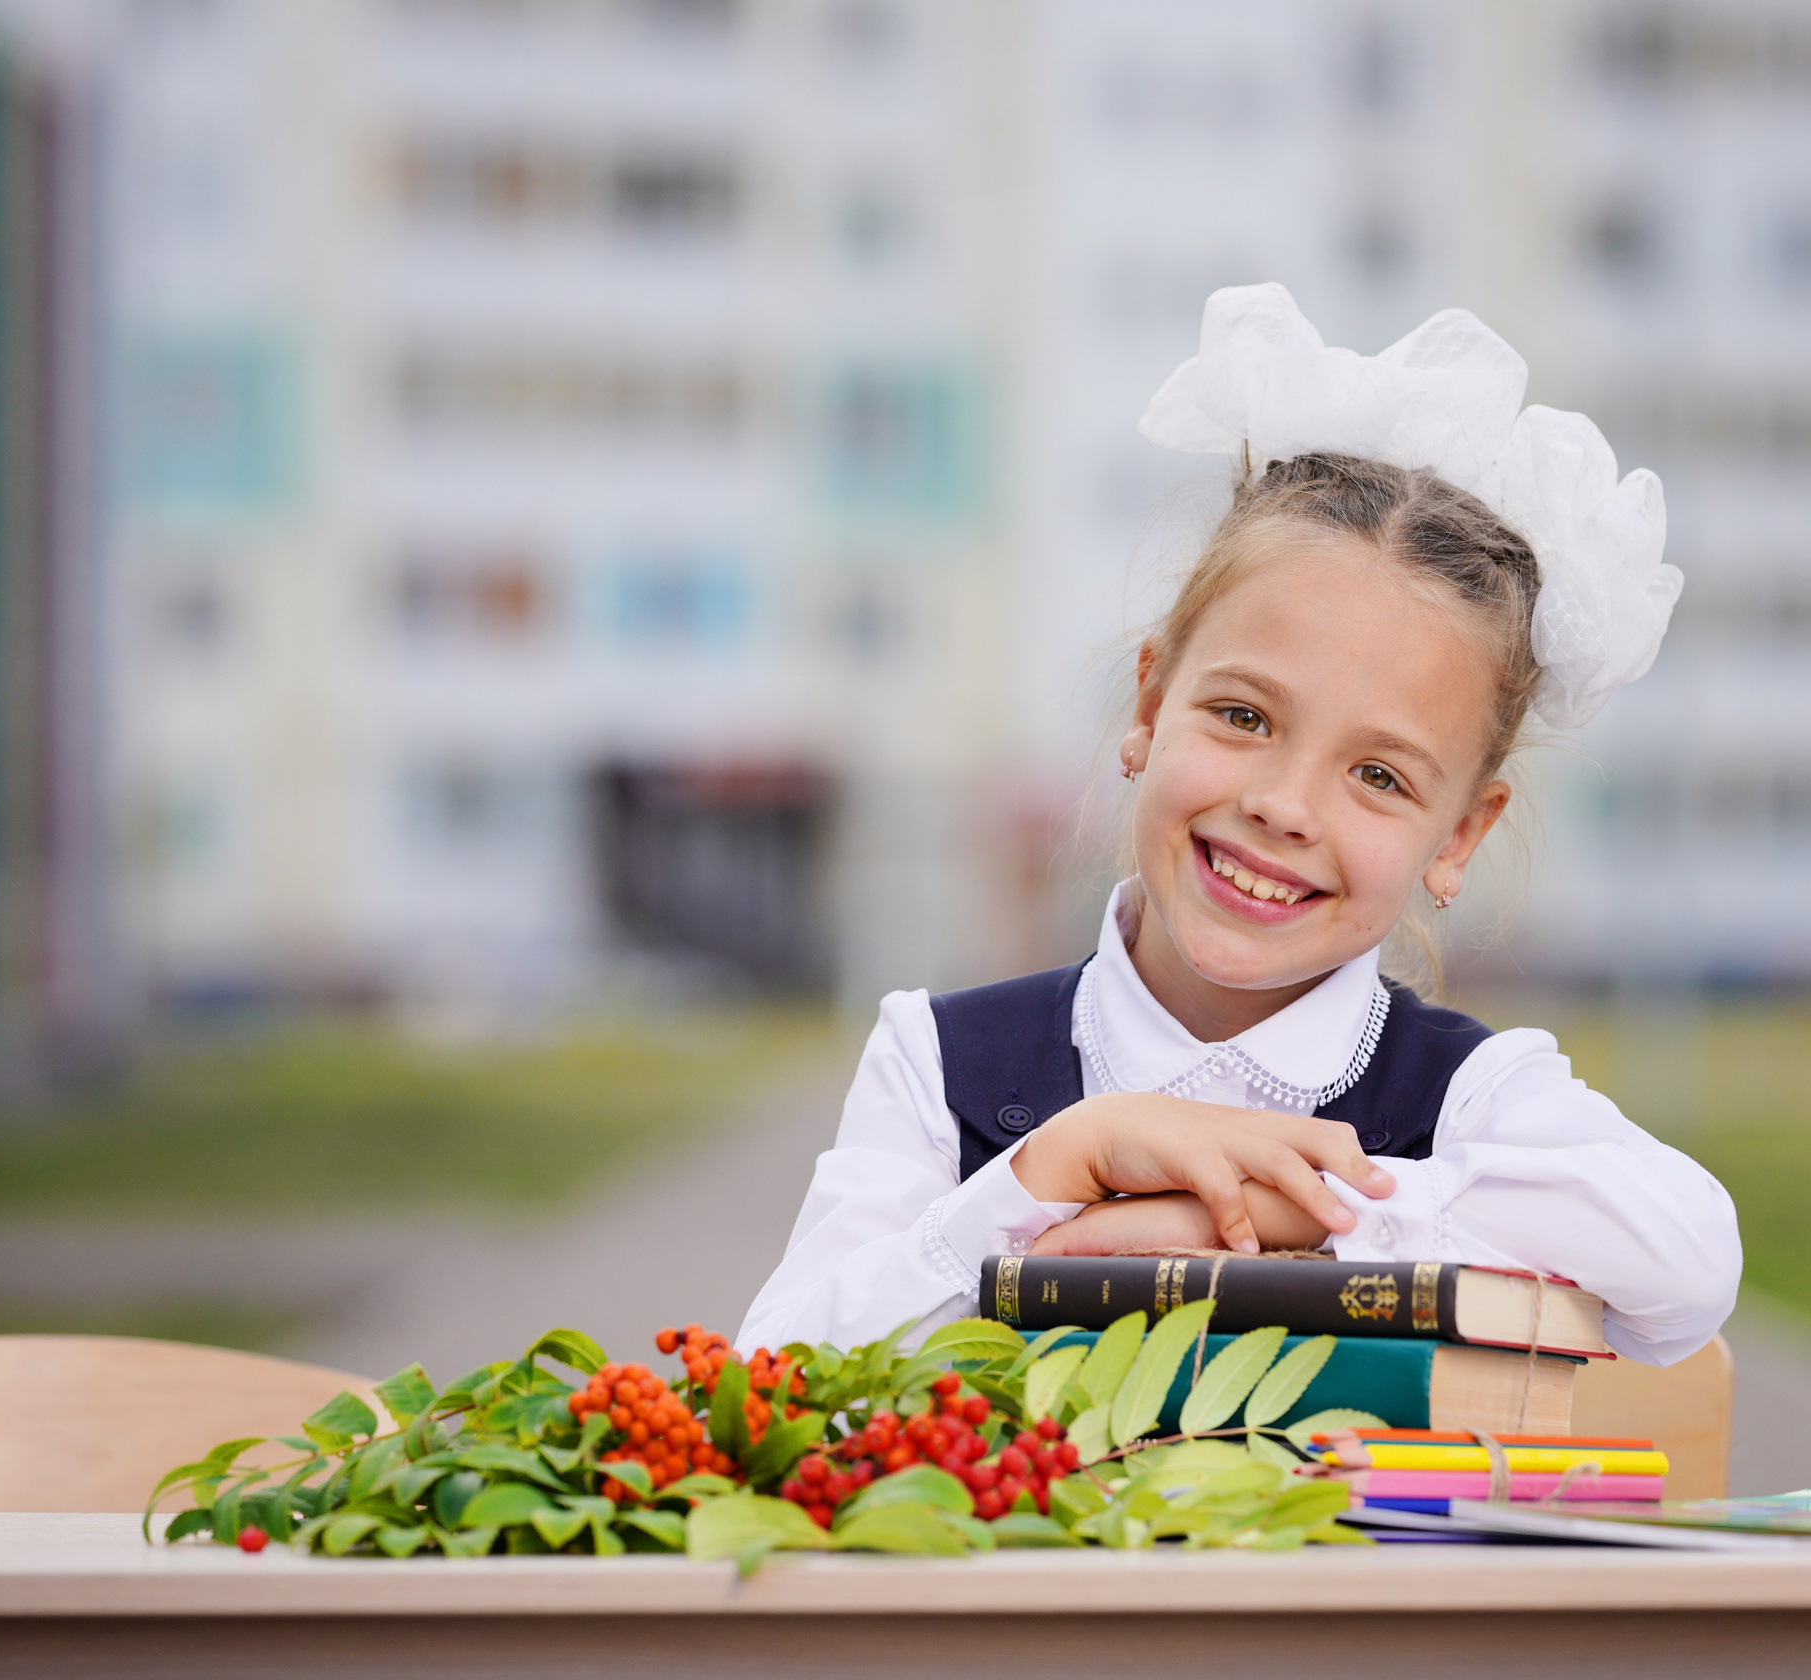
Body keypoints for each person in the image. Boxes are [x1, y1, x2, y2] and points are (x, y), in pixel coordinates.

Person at [739, 284, 1740, 1366]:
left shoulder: (1464, 1098)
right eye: (1243, 716)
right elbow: (768, 1378)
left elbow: (1687, 1262)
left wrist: (1303, 1209)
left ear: (1459, 836)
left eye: (1377, 776)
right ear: (1148, 706)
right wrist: (1039, 1178)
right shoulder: (944, 1065)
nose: (1282, 804)